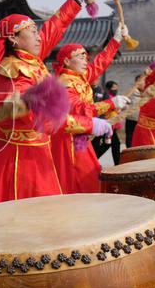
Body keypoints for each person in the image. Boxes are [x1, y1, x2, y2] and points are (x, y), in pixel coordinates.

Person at [0, 0, 90, 204]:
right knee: (26, 221)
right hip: (19, 159)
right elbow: (34, 117)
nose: (39, 35)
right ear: (13, 38)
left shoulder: (32, 60)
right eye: (32, 31)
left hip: (37, 151)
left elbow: (54, 27)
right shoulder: (9, 73)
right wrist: (88, 124)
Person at [50, 29, 129, 194]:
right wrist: (110, 103)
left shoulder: (80, 77)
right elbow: (78, 108)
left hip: (79, 135)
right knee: (80, 178)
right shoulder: (63, 83)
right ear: (66, 60)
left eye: (86, 57)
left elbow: (100, 62)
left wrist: (115, 40)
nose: (86, 61)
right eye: (80, 57)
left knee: (90, 175)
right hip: (68, 138)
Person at [123, 73, 145, 149]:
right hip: (131, 121)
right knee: (130, 142)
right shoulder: (131, 93)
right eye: (139, 82)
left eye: (143, 81)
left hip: (143, 122)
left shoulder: (149, 94)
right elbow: (124, 105)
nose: (142, 84)